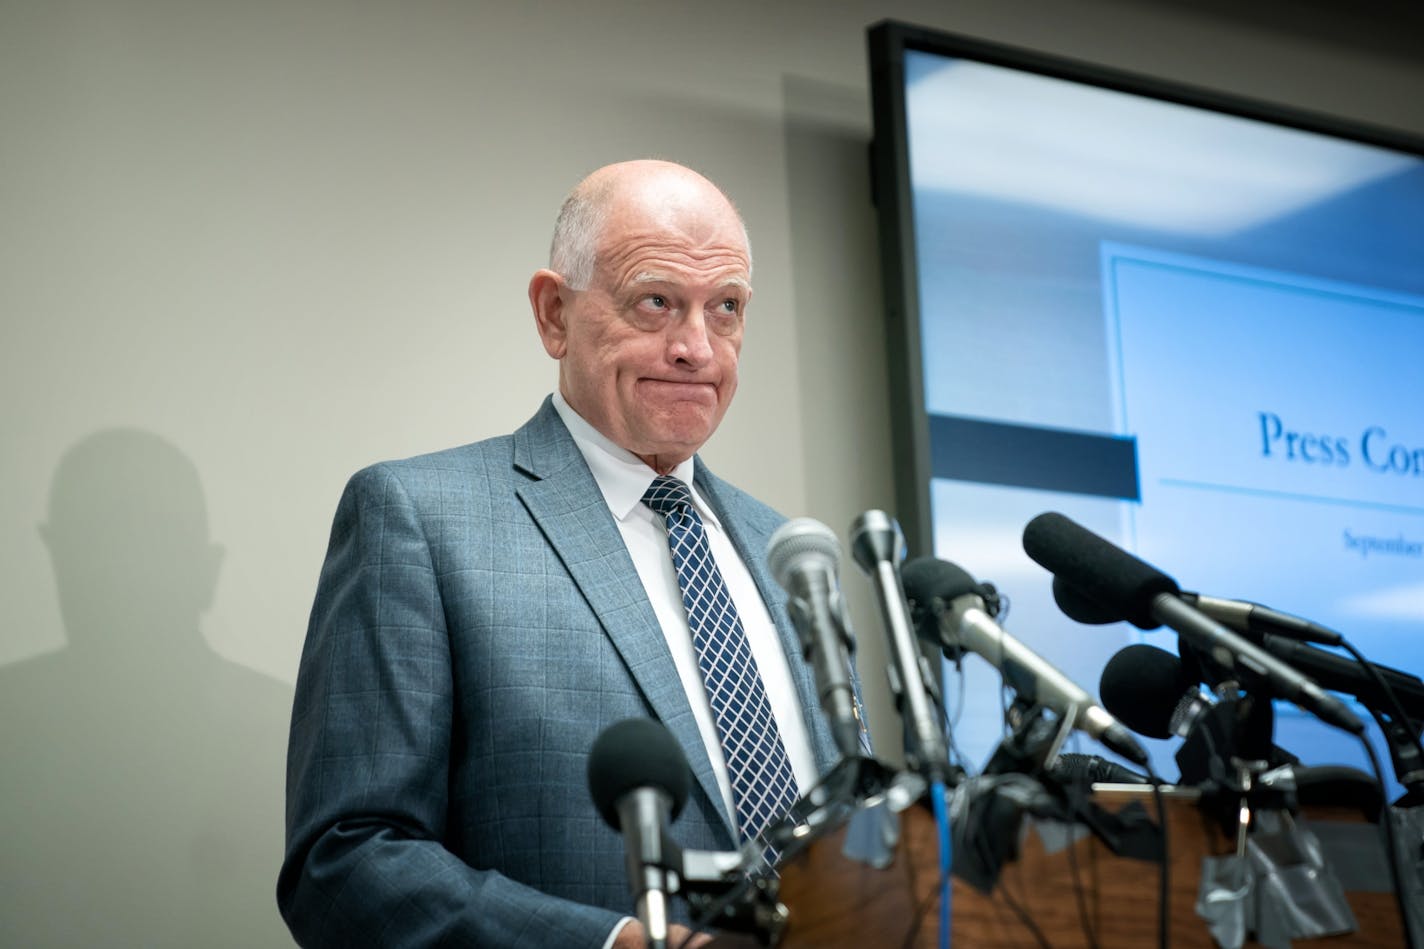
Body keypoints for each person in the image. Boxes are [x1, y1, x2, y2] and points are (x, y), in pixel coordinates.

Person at [278, 159, 838, 948]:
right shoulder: (420, 520)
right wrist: (614, 945)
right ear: (553, 313)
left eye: (727, 308)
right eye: (656, 302)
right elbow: (344, 864)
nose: (696, 348)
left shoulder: (791, 556)